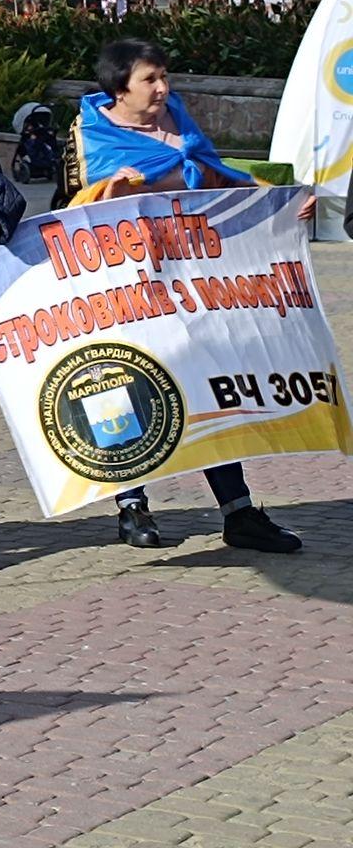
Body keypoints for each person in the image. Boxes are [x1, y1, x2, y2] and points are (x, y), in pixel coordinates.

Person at [79, 37, 306, 553]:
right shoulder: (92, 134)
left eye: (164, 76)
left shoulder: (177, 119)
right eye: (149, 79)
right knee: (125, 384)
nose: (163, 87)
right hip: (126, 283)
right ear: (120, 87)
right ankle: (131, 505)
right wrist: (110, 191)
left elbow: (211, 172)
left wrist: (275, 203)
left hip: (190, 275)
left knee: (204, 382)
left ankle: (239, 512)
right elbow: (75, 206)